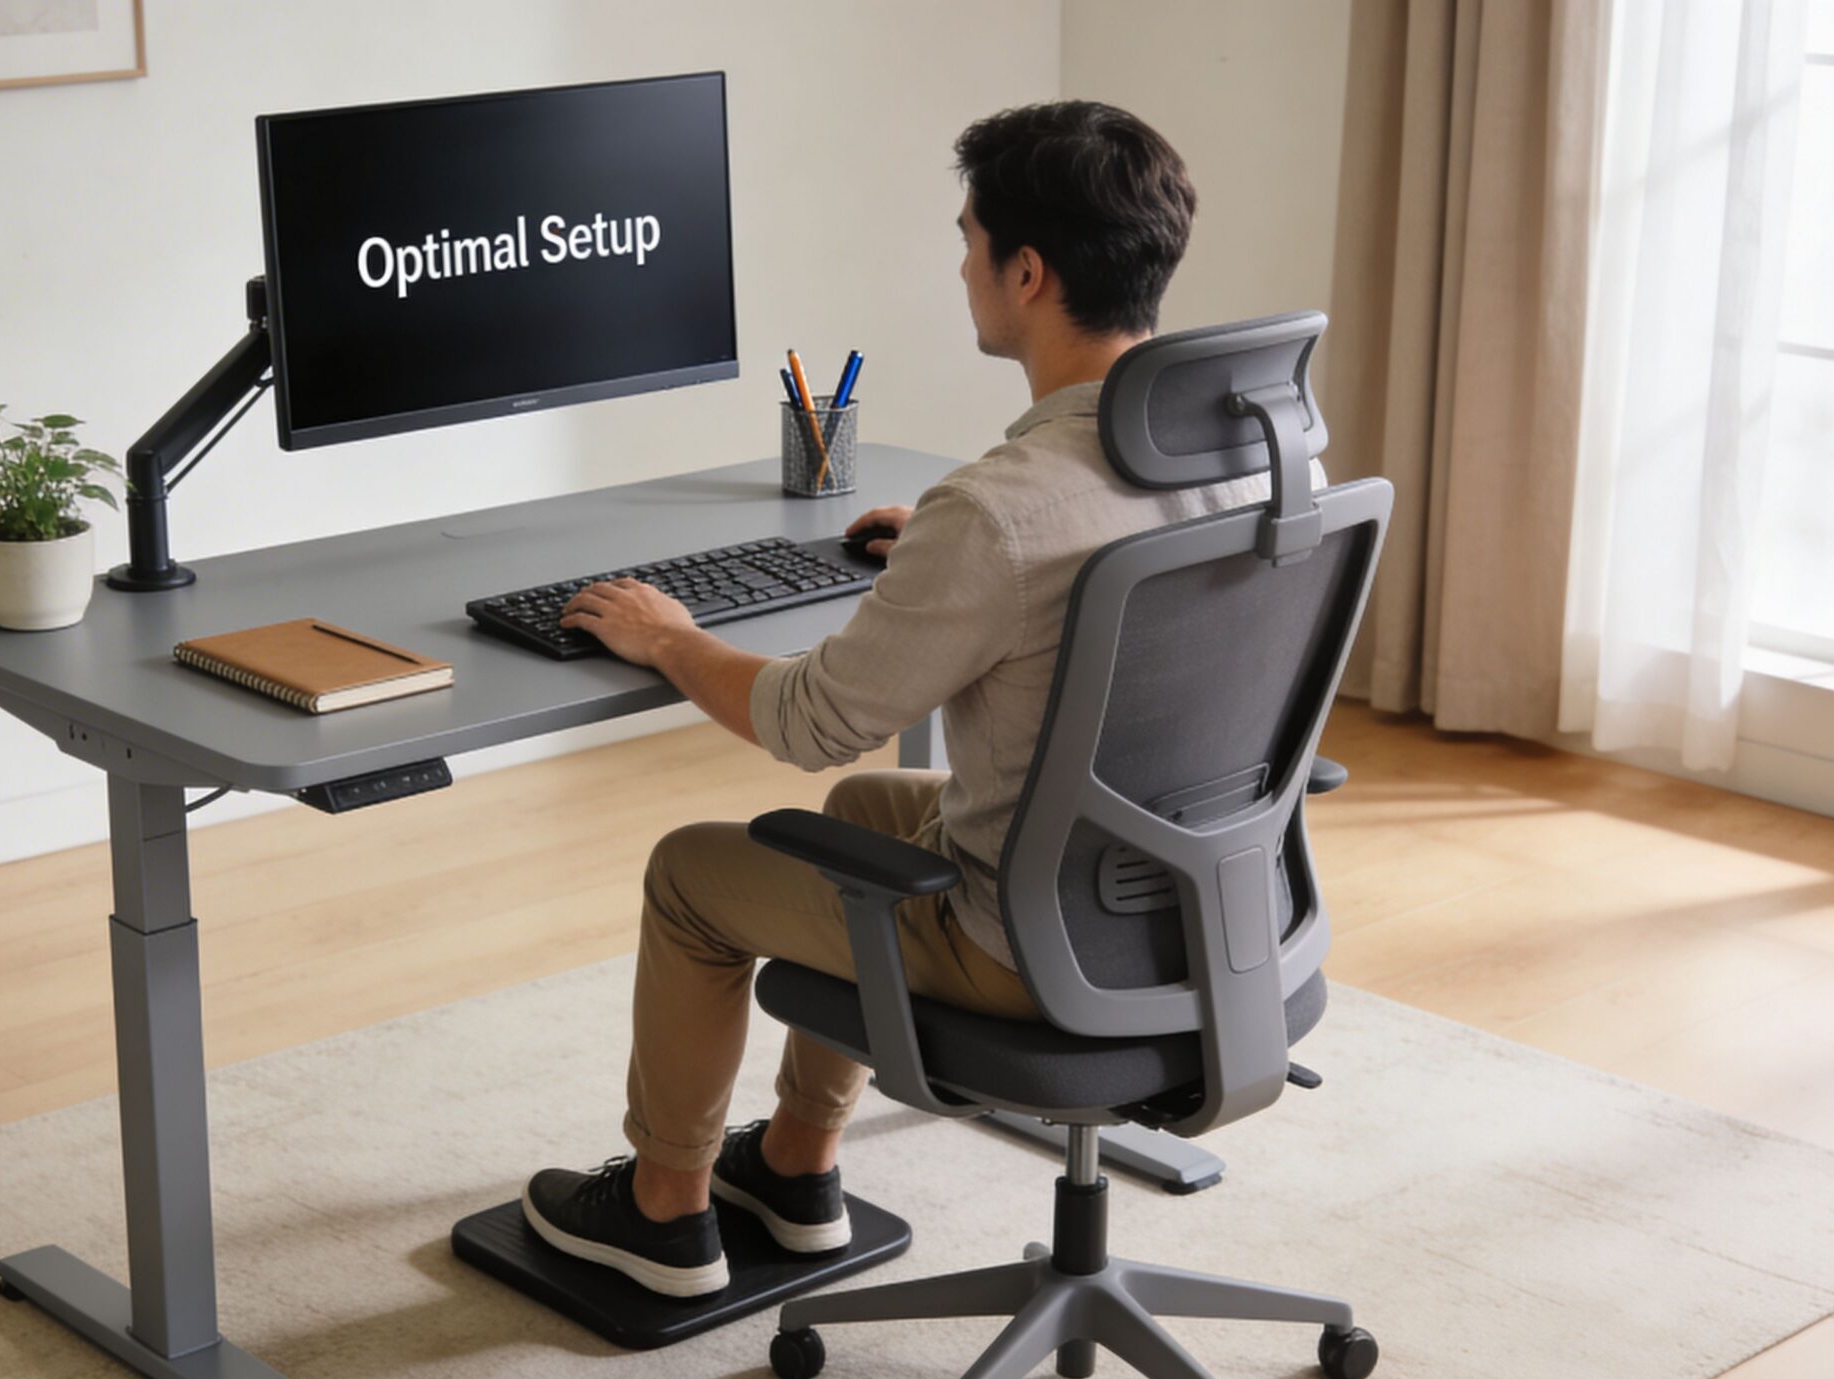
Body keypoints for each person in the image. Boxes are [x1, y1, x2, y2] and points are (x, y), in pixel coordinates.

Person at [521, 100, 1286, 1297]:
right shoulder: (1262, 445)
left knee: (689, 872)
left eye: (970, 238)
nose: (962, 262)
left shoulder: (1003, 511)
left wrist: (670, 638)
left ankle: (663, 1211)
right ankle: (796, 1165)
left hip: (1035, 948)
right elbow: (1065, 575)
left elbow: (805, 719)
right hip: (1209, 906)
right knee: (875, 803)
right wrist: (941, 560)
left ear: (1024, 273)